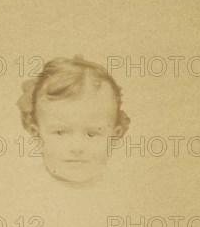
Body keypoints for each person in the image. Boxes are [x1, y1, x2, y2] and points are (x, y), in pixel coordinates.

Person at [17, 55, 130, 186]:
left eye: (92, 134)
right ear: (36, 133)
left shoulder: (125, 190)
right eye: (60, 132)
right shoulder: (23, 190)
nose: (77, 148)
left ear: (115, 135)